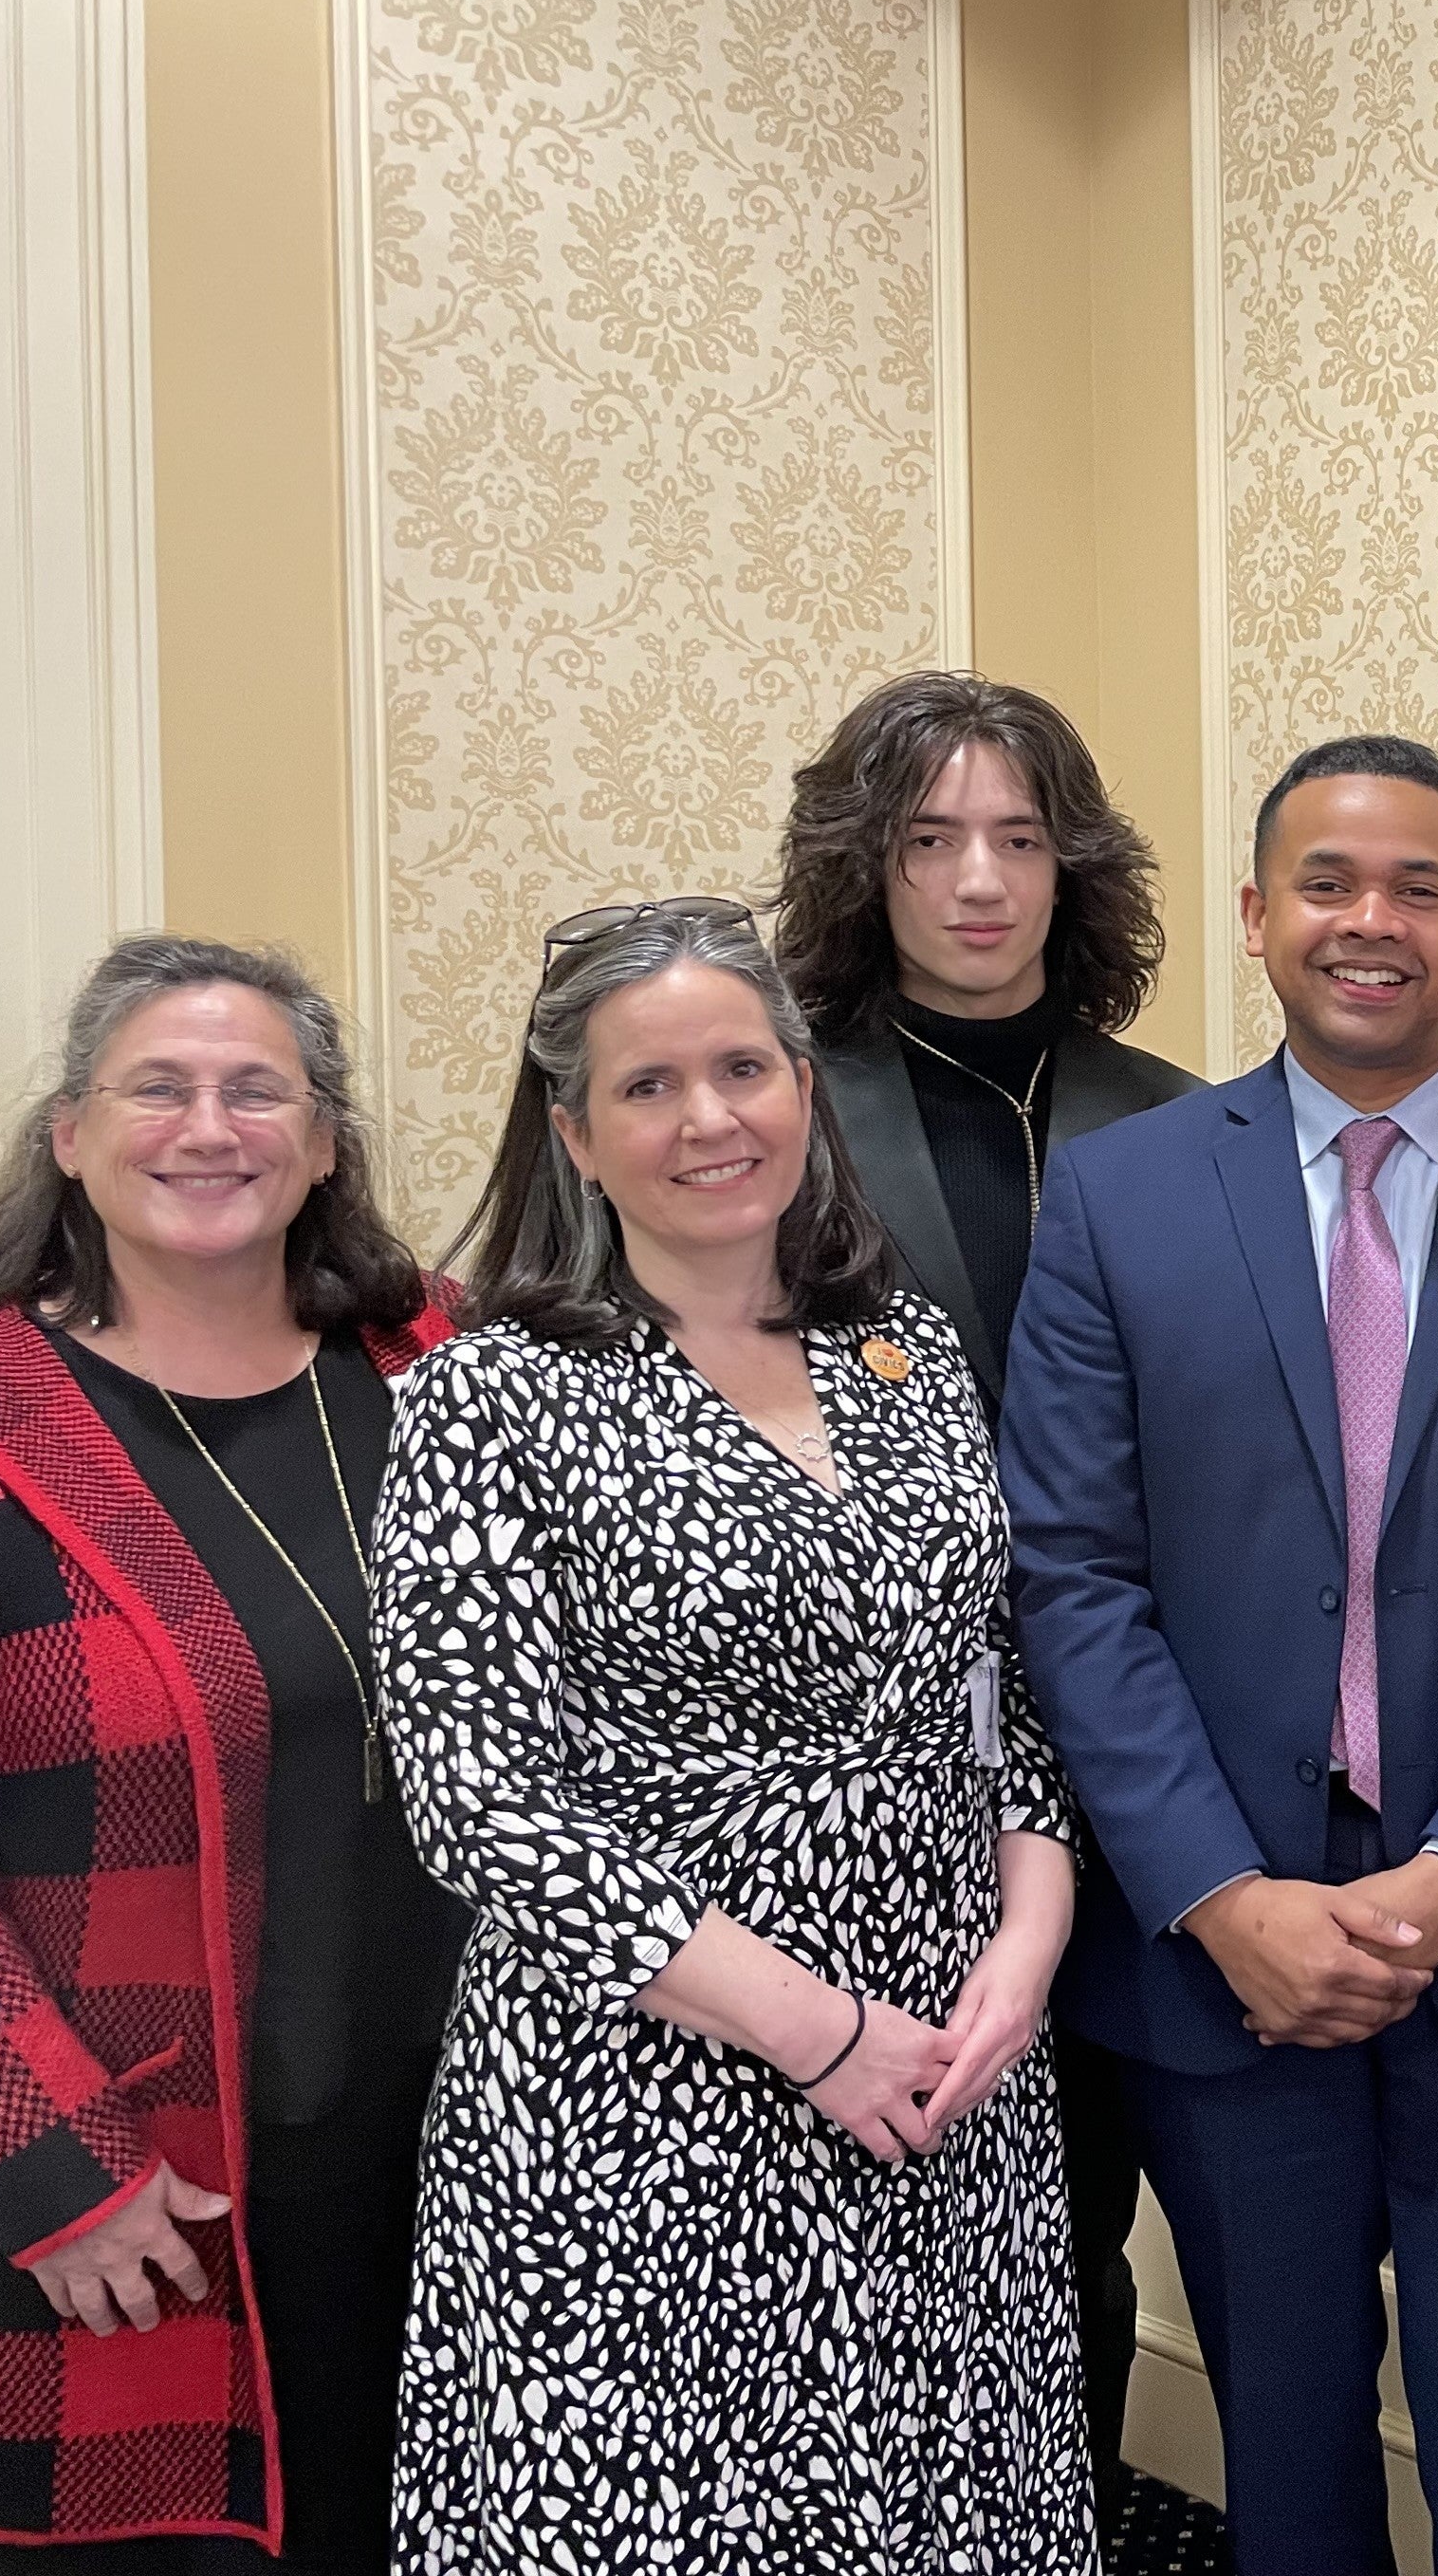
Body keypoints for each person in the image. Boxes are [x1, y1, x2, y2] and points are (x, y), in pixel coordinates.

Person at [1004, 735, 1438, 2576]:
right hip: (1225, 1973)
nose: (1369, 924)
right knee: (1287, 2488)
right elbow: (1073, 1575)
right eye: (1326, 884)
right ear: (1257, 916)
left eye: (1415, 889)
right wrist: (1222, 1894)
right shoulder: (1122, 1197)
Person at [371, 899, 1091, 2573]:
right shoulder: (492, 1398)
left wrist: (1031, 1943)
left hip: (945, 2078)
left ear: (802, 1089)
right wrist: (816, 2033)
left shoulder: (902, 1359)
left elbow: (1005, 1689)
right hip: (644, 2116)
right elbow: (481, 1804)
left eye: (743, 1068)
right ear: (574, 1132)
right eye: (648, 1087)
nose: (709, 1120)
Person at [0, 938, 459, 2570]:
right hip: (142, 2206)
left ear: (322, 1146)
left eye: (259, 1092)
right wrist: (48, 2168)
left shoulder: (444, 1377)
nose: (209, 1128)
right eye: (156, 1087)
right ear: (71, 1136)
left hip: (465, 2181)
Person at [773, 668, 1199, 2485]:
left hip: (1161, 1750)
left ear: (1072, 865)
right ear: (863, 868)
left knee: (1086, 2214)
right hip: (897, 1770)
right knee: (908, 2221)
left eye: (1018, 839)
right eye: (930, 839)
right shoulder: (777, 1109)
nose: (977, 881)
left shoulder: (1181, 1114)